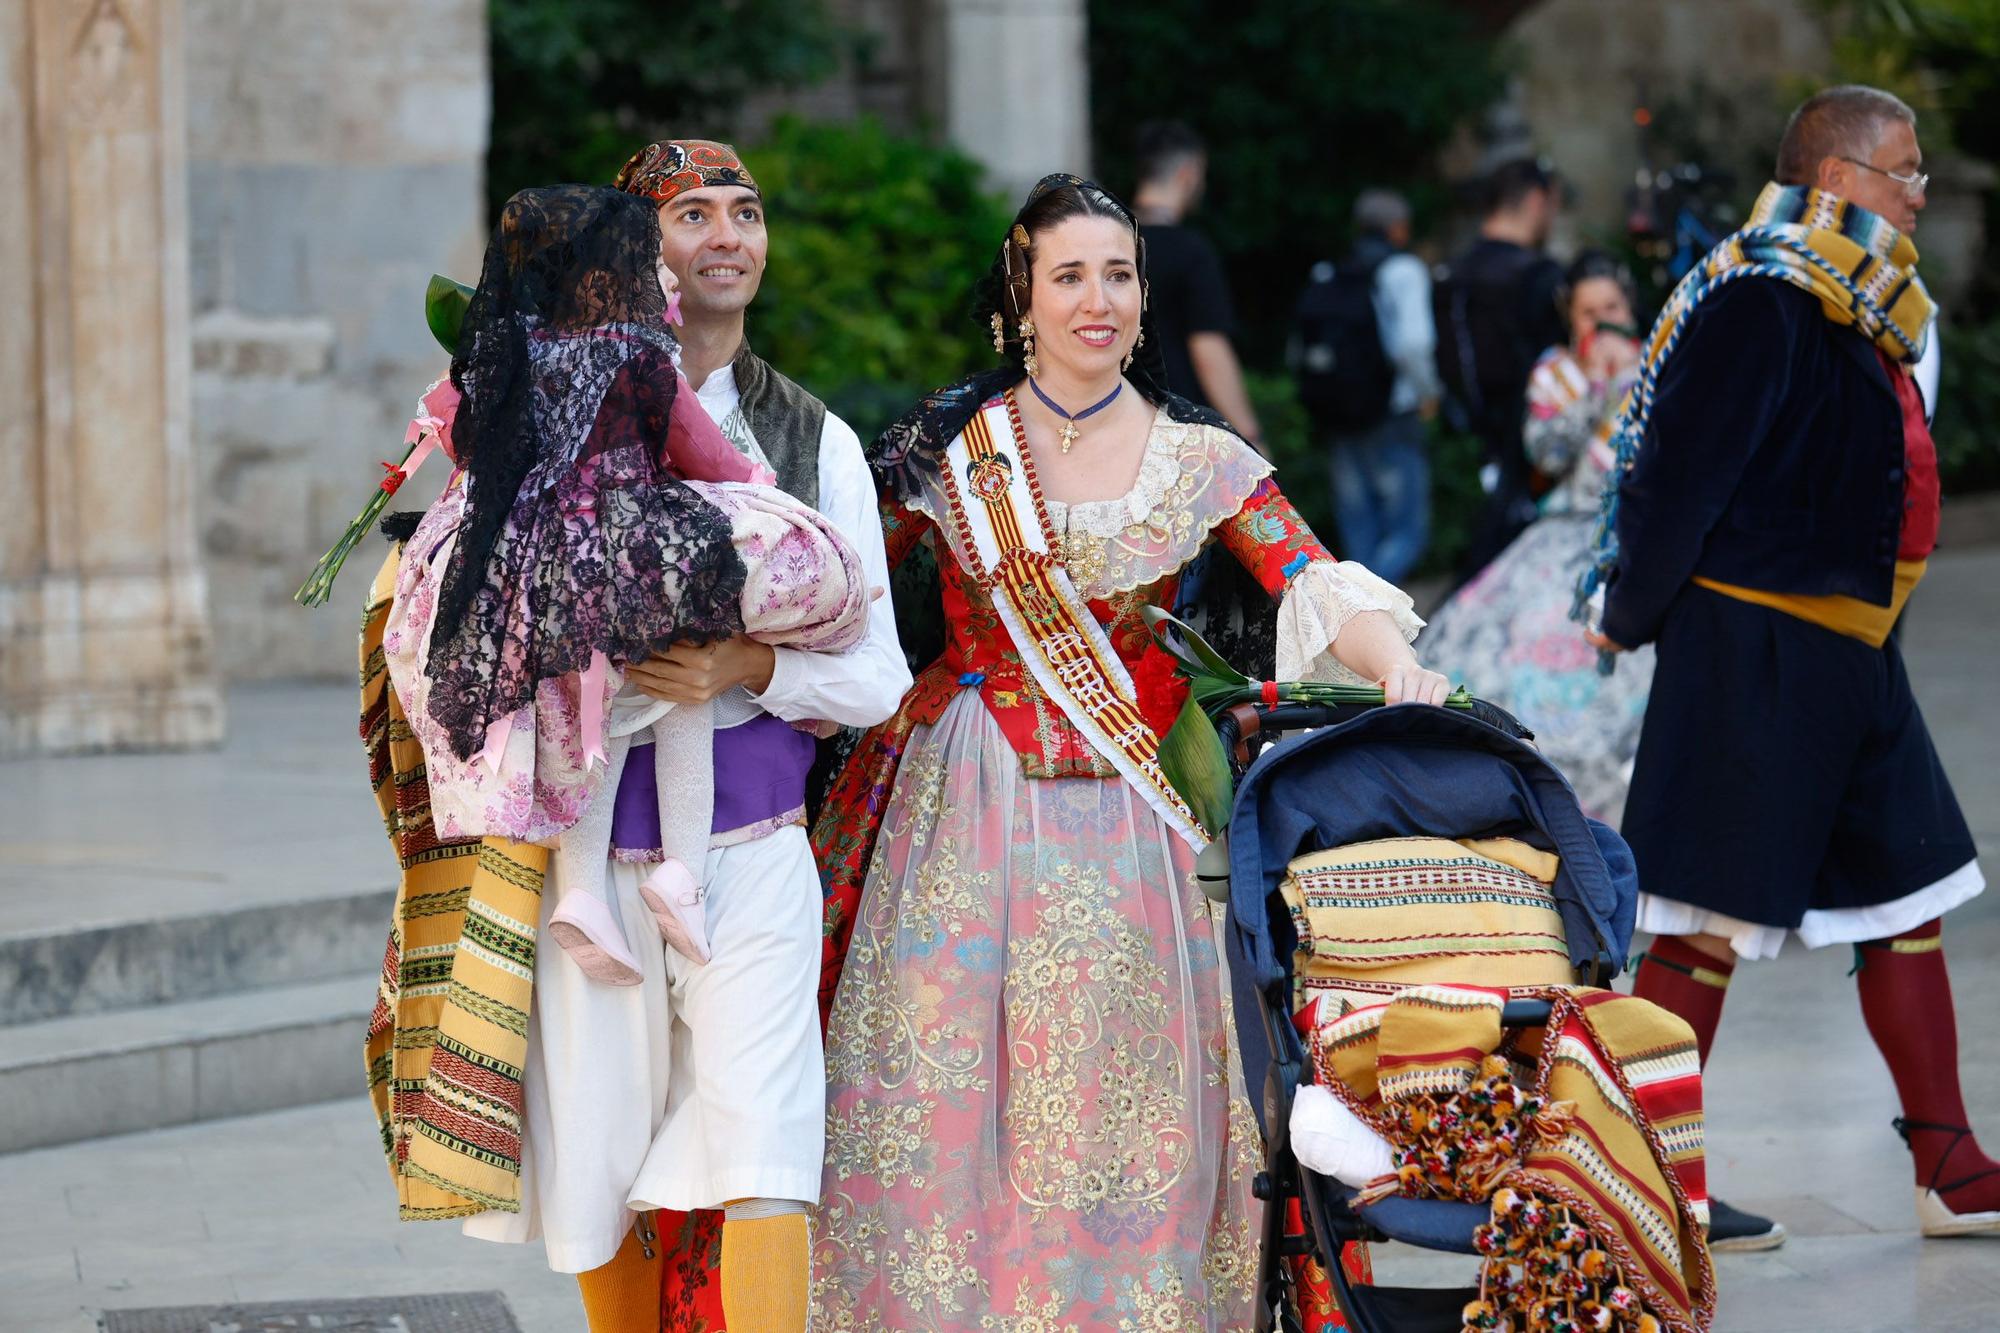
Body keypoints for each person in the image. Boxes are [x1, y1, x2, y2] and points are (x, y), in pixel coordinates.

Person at [809, 173, 1447, 1329]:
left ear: (1143, 297)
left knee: (1132, 1089)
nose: (1095, 300)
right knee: (946, 1080)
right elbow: (828, 580)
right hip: (967, 801)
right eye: (1068, 276)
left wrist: (1391, 660)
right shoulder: (945, 446)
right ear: (1022, 293)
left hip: (1137, 818)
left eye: (1117, 274)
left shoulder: (1193, 454)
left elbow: (1302, 570)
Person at [452, 144, 911, 1333]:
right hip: (581, 861)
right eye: (690, 212)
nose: (726, 234)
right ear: (630, 250)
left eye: (746, 212)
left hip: (753, 847)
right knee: (597, 1167)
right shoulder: (545, 410)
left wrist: (746, 661)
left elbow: (877, 675)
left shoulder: (815, 441)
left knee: (766, 1139)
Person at [1582, 85, 1994, 1247]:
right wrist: (1631, 609)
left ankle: (1947, 1169)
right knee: (1701, 926)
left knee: (1906, 900)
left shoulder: (1863, 301)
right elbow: (1681, 471)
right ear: (1834, 182)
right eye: (1900, 170)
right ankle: (1635, 1182)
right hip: (1751, 650)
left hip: (1853, 657)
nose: (1916, 190)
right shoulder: (1761, 298)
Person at [1417, 251, 1652, 822]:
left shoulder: (1659, 363)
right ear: (1569, 317)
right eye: (1588, 312)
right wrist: (1596, 386)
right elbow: (1545, 454)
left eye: (1612, 307)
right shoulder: (1555, 372)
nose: (1602, 321)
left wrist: (1631, 379)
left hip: (1641, 529)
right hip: (1565, 530)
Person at [1294, 187, 1440, 585]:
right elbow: (1414, 344)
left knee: (1360, 529)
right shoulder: (1402, 270)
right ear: (1397, 228)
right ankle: (1364, 606)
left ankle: (1361, 620)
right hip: (1392, 412)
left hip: (1339, 413)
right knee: (1408, 529)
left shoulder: (1330, 273)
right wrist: (1429, 392)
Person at [1435, 157, 1565, 580]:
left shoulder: (1450, 275)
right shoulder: (1540, 276)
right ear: (1536, 200)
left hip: (1462, 450)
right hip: (1532, 459)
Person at [1131, 120, 1263, 444]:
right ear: (1188, 173)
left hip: (1112, 417)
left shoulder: (1108, 240)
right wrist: (1250, 435)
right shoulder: (1190, 251)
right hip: (1177, 427)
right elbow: (1209, 349)